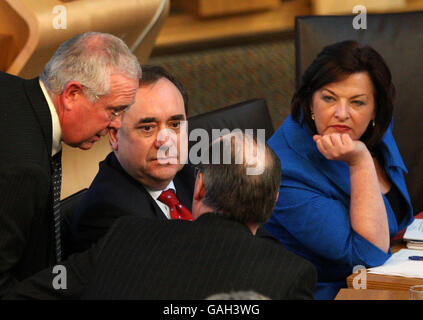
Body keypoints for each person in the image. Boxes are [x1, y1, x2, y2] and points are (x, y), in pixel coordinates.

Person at [4, 132, 317, 300]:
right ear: (274, 202)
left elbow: (33, 293)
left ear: (200, 187)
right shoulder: (291, 275)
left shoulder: (126, 235)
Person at [264, 40, 414, 300]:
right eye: (329, 98)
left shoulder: (370, 127)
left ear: (375, 109)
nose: (342, 114)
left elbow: (398, 215)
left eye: (357, 102)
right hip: (330, 292)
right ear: (310, 102)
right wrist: (360, 163)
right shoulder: (283, 172)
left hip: (391, 274)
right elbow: (368, 255)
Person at [0, 32, 140, 297]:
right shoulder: (25, 171)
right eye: (114, 110)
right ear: (72, 94)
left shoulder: (10, 88)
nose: (118, 124)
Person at [70, 65, 193, 253]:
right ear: (114, 135)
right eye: (148, 128)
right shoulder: (107, 214)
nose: (166, 142)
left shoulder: (195, 173)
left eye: (175, 124)